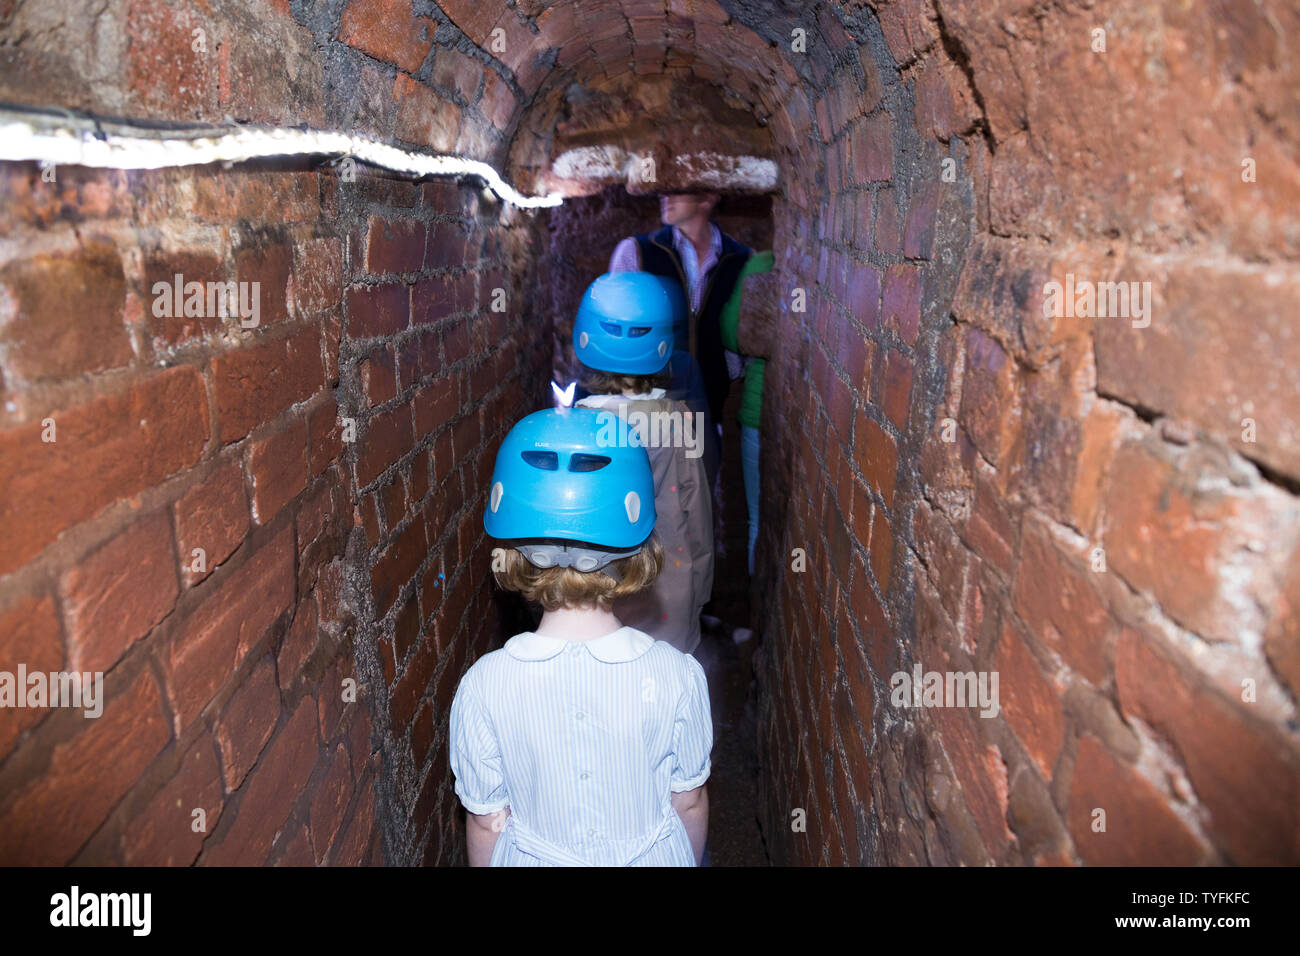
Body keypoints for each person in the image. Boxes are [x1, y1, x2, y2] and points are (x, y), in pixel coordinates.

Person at [448, 407, 713, 866]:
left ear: (514, 552)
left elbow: (487, 821)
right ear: (638, 549)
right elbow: (687, 801)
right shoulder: (678, 676)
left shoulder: (483, 686)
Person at [571, 272, 714, 656]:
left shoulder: (574, 429)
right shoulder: (678, 422)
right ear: (664, 344)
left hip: (593, 601)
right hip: (668, 599)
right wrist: (700, 593)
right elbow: (696, 512)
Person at [609, 191, 754, 494]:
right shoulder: (635, 252)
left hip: (705, 415)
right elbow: (614, 339)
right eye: (664, 188)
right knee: (639, 506)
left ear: (708, 196)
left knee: (695, 512)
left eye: (679, 189)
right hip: (643, 415)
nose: (665, 196)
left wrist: (720, 380)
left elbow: (743, 345)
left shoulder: (742, 260)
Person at [718, 250, 776, 576]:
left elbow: (731, 330)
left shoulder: (761, 263)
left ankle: (761, 620)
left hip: (757, 407)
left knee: (757, 518)